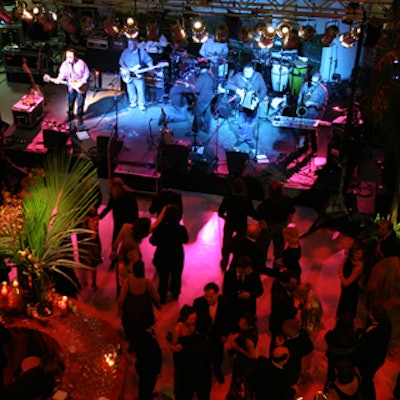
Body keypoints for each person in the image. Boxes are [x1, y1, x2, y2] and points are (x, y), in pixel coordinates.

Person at [193, 282, 234, 384]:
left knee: (218, 353)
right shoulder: (198, 303)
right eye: (206, 296)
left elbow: (229, 320)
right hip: (204, 335)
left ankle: (217, 368)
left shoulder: (226, 302)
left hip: (219, 334)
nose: (208, 299)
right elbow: (195, 320)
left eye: (211, 297)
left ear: (217, 294)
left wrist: (225, 334)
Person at [117, 260, 160, 354]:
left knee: (131, 330)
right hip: (145, 314)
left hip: (130, 315)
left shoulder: (127, 283)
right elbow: (156, 297)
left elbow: (121, 299)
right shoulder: (148, 283)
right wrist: (159, 304)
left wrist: (120, 310)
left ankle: (132, 345)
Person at [149, 204, 189, 304]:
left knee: (163, 278)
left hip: (162, 256)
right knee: (176, 276)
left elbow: (152, 241)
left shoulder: (161, 229)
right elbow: (186, 240)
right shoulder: (181, 229)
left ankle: (162, 297)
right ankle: (175, 294)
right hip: (176, 257)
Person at [99, 177, 139, 271]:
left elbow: (134, 210)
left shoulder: (128, 196)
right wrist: (100, 216)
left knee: (122, 242)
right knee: (116, 242)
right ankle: (115, 260)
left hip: (126, 223)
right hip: (120, 222)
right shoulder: (117, 196)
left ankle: (123, 261)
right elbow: (109, 207)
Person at [225, 63, 267, 151]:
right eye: (245, 71)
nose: (247, 73)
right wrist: (237, 90)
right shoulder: (238, 77)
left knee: (251, 123)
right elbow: (228, 84)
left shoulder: (257, 76)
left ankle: (249, 139)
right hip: (241, 104)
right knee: (241, 123)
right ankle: (241, 138)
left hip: (253, 105)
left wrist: (259, 98)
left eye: (249, 71)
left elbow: (263, 89)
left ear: (253, 71)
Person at [355, 304, 392, 400]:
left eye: (370, 312)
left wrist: (361, 339)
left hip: (371, 360)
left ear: (373, 316)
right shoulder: (386, 324)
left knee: (366, 380)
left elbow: (366, 348)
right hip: (378, 356)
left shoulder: (374, 335)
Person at [255, 180, 295, 266]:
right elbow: (291, 212)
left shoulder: (266, 203)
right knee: (279, 248)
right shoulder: (287, 200)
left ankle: (261, 265)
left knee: (262, 247)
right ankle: (277, 266)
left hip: (268, 226)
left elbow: (258, 215)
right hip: (281, 226)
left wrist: (262, 222)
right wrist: (286, 223)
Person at [218, 177, 255, 271]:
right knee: (240, 246)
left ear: (232, 188)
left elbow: (220, 212)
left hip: (229, 224)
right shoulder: (247, 200)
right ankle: (234, 265)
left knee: (226, 245)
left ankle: (224, 263)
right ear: (243, 188)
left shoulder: (228, 199)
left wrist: (226, 218)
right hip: (241, 225)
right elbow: (251, 213)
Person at [222, 256, 263, 327]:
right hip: (234, 308)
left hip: (248, 308)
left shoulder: (254, 275)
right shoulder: (229, 274)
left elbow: (260, 291)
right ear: (240, 268)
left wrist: (250, 295)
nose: (251, 271)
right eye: (248, 269)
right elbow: (226, 291)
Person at [54, 48, 90, 129]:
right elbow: (62, 74)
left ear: (75, 57)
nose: (68, 59)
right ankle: (70, 116)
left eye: (70, 57)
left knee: (80, 104)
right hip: (71, 87)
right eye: (67, 57)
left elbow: (87, 74)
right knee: (70, 102)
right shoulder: (65, 65)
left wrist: (80, 83)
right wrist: (58, 79)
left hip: (81, 87)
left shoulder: (81, 63)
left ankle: (80, 119)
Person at [226, 312, 258, 400]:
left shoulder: (248, 341)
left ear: (248, 326)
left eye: (242, 323)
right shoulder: (253, 328)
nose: (239, 324)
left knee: (244, 382)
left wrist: (237, 348)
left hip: (245, 365)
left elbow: (252, 356)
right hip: (242, 363)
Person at [296, 72, 328, 153]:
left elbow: (322, 106)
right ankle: (302, 146)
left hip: (315, 113)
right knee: (302, 128)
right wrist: (299, 104)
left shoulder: (323, 91)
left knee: (312, 132)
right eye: (312, 81)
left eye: (315, 82)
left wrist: (312, 103)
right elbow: (301, 94)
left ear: (320, 81)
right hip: (304, 112)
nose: (313, 84)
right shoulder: (307, 84)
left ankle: (314, 149)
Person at [169, 305, 197, 400]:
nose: (194, 320)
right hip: (180, 355)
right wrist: (176, 348)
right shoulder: (178, 328)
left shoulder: (194, 325)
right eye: (192, 319)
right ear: (185, 318)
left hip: (190, 354)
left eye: (195, 318)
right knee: (180, 375)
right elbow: (172, 346)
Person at [119, 38, 153, 111]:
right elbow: (121, 61)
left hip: (138, 75)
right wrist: (126, 69)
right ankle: (133, 103)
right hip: (128, 75)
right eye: (128, 44)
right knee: (130, 90)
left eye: (131, 44)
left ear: (135, 44)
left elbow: (148, 60)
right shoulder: (125, 51)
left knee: (140, 90)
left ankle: (141, 105)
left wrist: (151, 66)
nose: (129, 46)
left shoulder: (141, 52)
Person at [336, 241, 365, 319]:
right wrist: (341, 269)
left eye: (360, 254)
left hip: (351, 289)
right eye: (356, 253)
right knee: (343, 301)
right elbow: (341, 265)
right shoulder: (349, 258)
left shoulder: (358, 266)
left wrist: (341, 275)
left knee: (347, 307)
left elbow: (347, 283)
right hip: (345, 287)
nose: (358, 256)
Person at [135, 328, 162, 400]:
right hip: (149, 369)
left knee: (145, 388)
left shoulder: (146, 338)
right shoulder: (147, 339)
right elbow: (155, 354)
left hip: (147, 369)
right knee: (146, 389)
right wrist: (157, 370)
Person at [191, 58, 215, 137]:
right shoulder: (211, 75)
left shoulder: (201, 77)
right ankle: (206, 129)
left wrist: (192, 87)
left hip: (202, 98)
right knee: (207, 114)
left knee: (197, 113)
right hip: (209, 97)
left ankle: (195, 130)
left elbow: (197, 90)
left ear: (199, 67)